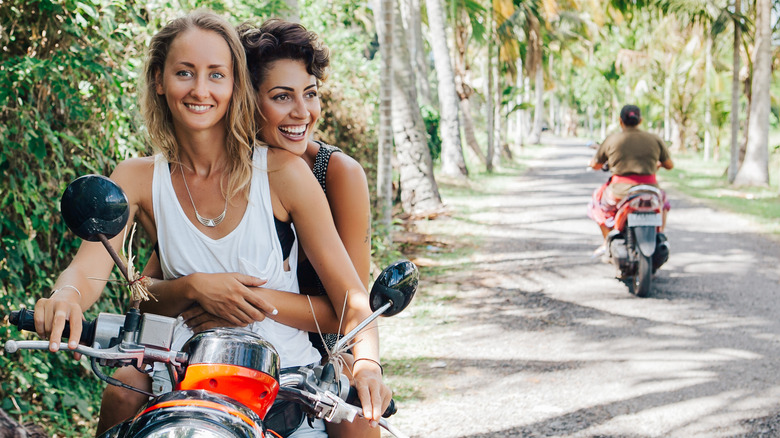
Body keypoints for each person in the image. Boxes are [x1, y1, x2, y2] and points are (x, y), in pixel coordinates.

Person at [31, 10, 388, 437]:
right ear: (159, 81)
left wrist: (367, 365)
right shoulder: (137, 178)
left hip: (287, 384)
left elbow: (351, 300)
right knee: (121, 400)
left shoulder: (283, 172)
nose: (200, 89)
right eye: (185, 73)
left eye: (216, 75)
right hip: (180, 378)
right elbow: (90, 270)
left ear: (236, 84)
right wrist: (66, 296)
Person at [587, 104, 674, 254]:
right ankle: (660, 235)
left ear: (621, 121)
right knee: (663, 203)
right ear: (640, 120)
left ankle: (607, 241)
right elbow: (669, 165)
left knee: (597, 200)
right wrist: (657, 164)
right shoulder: (654, 139)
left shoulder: (612, 139)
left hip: (619, 192)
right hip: (650, 189)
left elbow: (595, 164)